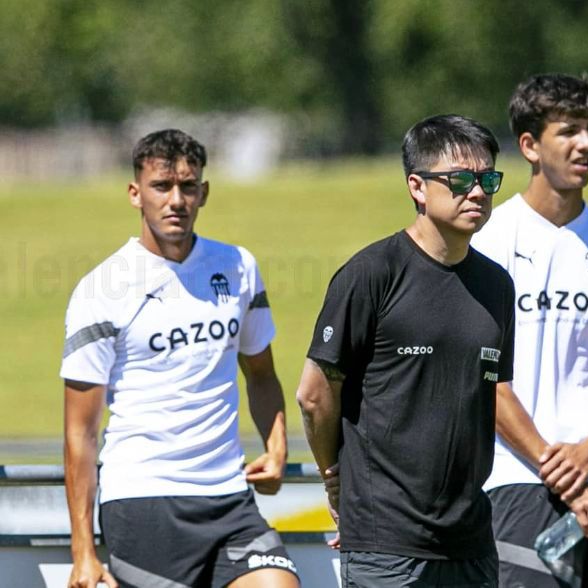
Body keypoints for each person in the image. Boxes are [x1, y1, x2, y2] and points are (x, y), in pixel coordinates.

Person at [61, 129, 300, 588]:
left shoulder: (238, 267)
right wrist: (83, 553)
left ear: (204, 192)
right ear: (135, 194)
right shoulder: (101, 289)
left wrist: (276, 444)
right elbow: (80, 432)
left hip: (229, 500)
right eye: (161, 187)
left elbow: (262, 374)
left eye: (188, 187)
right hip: (143, 501)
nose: (176, 200)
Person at [296, 114, 516, 587]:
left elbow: (487, 398)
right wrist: (334, 474)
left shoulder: (497, 285)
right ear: (417, 186)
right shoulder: (371, 274)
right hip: (386, 544)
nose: (477, 192)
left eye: (488, 180)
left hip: (472, 542)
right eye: (460, 180)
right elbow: (314, 395)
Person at [471, 74, 588, 587]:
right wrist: (559, 470)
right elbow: (485, 379)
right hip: (517, 476)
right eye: (569, 130)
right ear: (530, 146)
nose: (586, 144)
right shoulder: (487, 242)